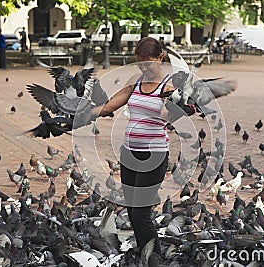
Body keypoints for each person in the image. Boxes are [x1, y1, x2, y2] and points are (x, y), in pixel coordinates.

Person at [91, 37, 175, 264]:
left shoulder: (169, 86)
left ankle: (154, 257)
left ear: (161, 57)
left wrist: (177, 105)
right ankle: (144, 253)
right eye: (140, 62)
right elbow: (110, 106)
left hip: (154, 156)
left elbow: (167, 116)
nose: (144, 67)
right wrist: (80, 114)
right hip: (129, 154)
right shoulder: (135, 80)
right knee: (131, 210)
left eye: (148, 62)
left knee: (141, 214)